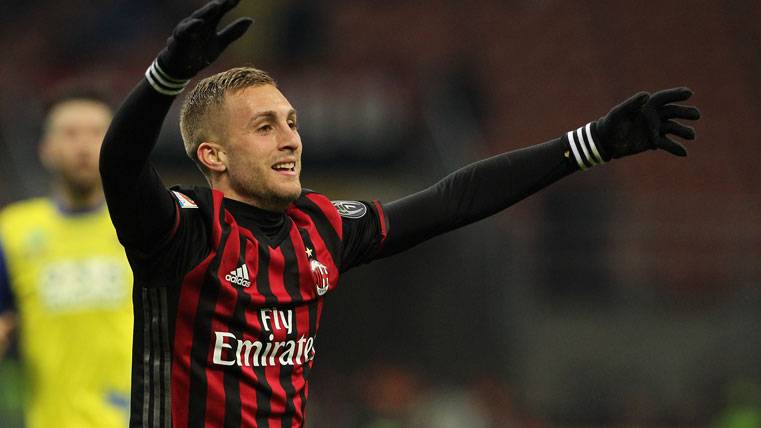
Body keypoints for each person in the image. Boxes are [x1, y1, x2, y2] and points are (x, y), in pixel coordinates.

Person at [99, 1, 700, 426]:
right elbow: (121, 166)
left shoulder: (322, 229)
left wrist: (588, 143)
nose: (289, 139)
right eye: (264, 127)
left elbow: (453, 201)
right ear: (212, 154)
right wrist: (166, 76)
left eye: (291, 122)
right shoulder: (182, 231)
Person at [0, 88, 133, 427]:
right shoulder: (12, 232)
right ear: (46, 149)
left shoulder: (144, 226)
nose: (84, 146)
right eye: (71, 134)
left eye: (96, 133)